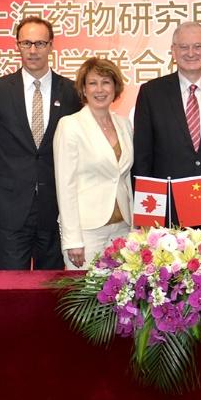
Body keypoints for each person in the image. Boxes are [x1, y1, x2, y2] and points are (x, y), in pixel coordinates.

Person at [0, 15, 81, 270]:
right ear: (17, 45)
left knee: (52, 294)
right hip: (10, 209)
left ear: (51, 45)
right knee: (11, 294)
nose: (33, 50)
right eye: (26, 43)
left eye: (40, 43)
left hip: (56, 209)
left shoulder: (71, 91)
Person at [133, 21, 201, 244]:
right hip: (167, 213)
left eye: (198, 46)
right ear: (173, 51)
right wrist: (146, 216)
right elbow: (143, 158)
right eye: (183, 47)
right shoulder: (151, 93)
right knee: (167, 277)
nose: (191, 53)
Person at [54, 57, 133, 269]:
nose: (100, 89)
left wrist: (136, 228)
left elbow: (125, 179)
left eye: (106, 82)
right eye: (93, 83)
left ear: (115, 87)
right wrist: (72, 239)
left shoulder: (124, 124)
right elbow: (65, 185)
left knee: (122, 298)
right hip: (86, 231)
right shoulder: (70, 125)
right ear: (83, 89)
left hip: (123, 228)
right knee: (86, 298)